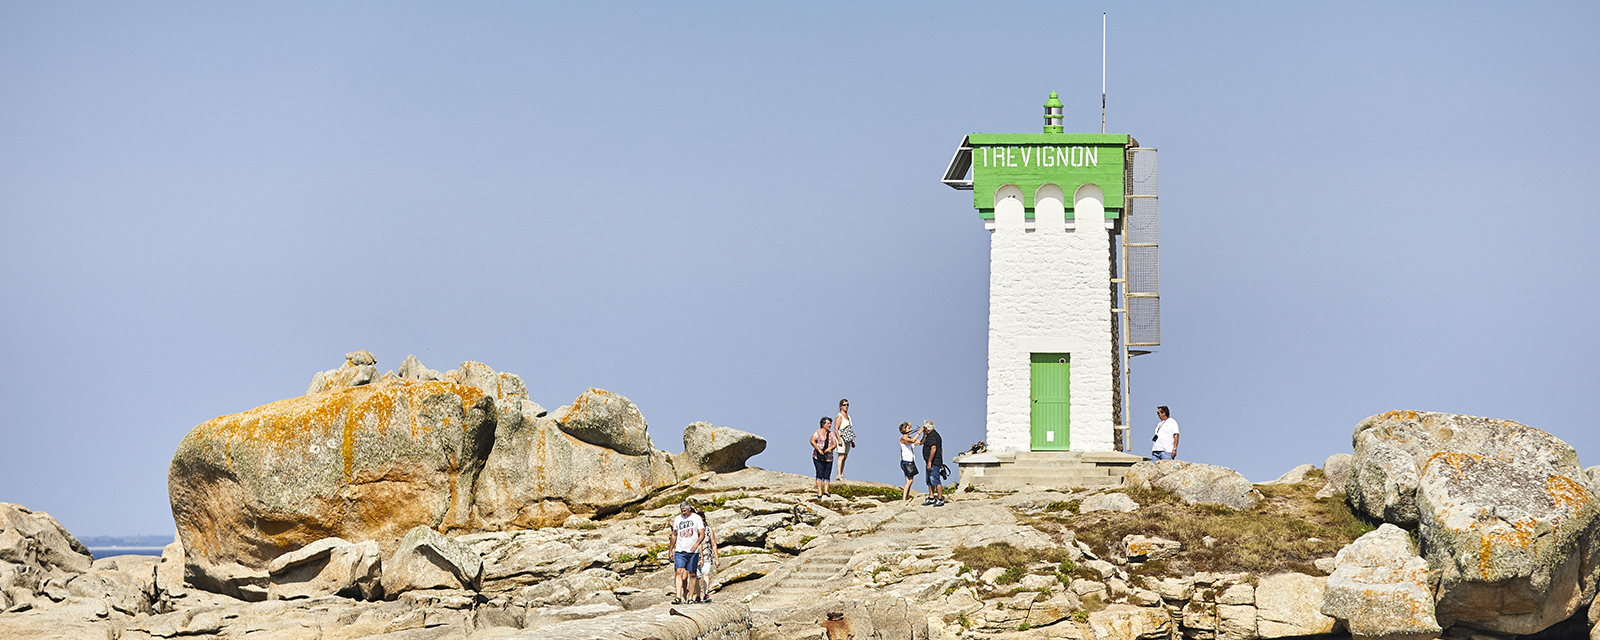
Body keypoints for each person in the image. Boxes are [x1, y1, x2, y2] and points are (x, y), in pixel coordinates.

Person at [668, 501, 706, 604]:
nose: (683, 513)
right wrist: (671, 549)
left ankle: (690, 597)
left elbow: (702, 534)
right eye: (682, 511)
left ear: (689, 508)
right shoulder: (677, 519)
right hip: (680, 550)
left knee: (692, 574)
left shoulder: (697, 518)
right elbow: (674, 534)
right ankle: (678, 596)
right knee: (678, 571)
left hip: (693, 551)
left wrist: (696, 544)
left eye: (685, 511)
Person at [692, 504, 718, 602]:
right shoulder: (695, 531)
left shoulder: (708, 530)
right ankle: (698, 596)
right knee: (698, 576)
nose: (702, 522)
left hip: (707, 554)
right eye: (701, 520)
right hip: (696, 555)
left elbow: (714, 544)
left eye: (703, 520)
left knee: (705, 573)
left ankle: (706, 594)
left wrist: (716, 558)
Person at [810, 417, 837, 497]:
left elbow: (835, 444)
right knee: (819, 473)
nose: (829, 425)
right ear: (823, 424)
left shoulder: (831, 434)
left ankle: (826, 491)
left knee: (827, 474)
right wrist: (818, 449)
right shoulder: (817, 433)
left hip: (829, 457)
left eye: (830, 424)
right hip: (818, 457)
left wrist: (830, 448)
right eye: (828, 423)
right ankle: (819, 491)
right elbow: (812, 441)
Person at [921, 420, 945, 506]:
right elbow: (940, 448)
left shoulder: (932, 436)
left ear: (927, 428)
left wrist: (930, 461)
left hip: (933, 462)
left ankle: (940, 499)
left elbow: (933, 448)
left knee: (935, 480)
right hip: (933, 461)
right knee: (929, 480)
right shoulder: (932, 435)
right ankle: (931, 497)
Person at [898, 422, 922, 502]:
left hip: (910, 461)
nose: (910, 429)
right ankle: (904, 499)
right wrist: (919, 432)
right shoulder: (903, 438)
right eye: (908, 428)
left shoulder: (910, 438)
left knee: (909, 481)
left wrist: (924, 434)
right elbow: (912, 440)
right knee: (909, 481)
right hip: (906, 461)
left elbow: (920, 442)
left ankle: (906, 498)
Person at [834, 399, 856, 482]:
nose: (846, 406)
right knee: (841, 455)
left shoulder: (848, 417)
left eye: (847, 405)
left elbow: (849, 429)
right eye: (844, 405)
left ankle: (842, 474)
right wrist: (839, 439)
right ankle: (838, 474)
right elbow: (836, 428)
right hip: (841, 437)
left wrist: (852, 440)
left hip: (847, 438)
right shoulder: (839, 416)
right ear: (840, 406)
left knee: (845, 456)